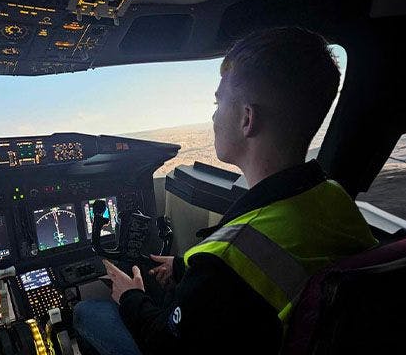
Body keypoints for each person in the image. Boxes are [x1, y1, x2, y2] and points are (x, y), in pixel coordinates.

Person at [73, 27, 378, 355]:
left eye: (218, 102)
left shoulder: (224, 264)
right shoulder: (333, 197)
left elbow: (165, 344)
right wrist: (184, 268)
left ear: (247, 119)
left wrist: (129, 296)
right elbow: (273, 264)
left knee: (89, 312)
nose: (214, 114)